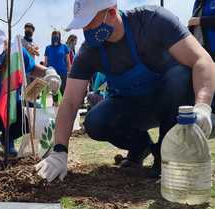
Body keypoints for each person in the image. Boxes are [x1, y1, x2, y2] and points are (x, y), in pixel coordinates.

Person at [36, 0, 215, 182]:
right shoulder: (90, 52)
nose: (86, 31)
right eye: (83, 26)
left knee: (181, 75)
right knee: (95, 122)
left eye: (90, 23)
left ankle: (166, 158)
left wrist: (203, 106)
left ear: (112, 13)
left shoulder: (153, 21)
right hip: (132, 107)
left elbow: (202, 60)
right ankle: (140, 146)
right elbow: (70, 102)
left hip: (170, 104)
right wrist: (59, 150)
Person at [0, 21, 61, 157]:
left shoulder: (17, 54)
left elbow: (33, 68)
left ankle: (7, 139)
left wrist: (50, 72)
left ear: (5, 44)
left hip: (12, 110)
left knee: (33, 110)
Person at [44, 31, 71, 106]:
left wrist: (70, 70)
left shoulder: (64, 47)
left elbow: (68, 61)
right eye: (54, 35)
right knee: (54, 90)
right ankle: (55, 106)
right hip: (52, 73)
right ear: (51, 37)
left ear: (59, 36)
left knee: (63, 90)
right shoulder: (48, 48)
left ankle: (64, 106)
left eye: (57, 35)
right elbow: (46, 62)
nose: (55, 36)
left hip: (63, 72)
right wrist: (44, 72)